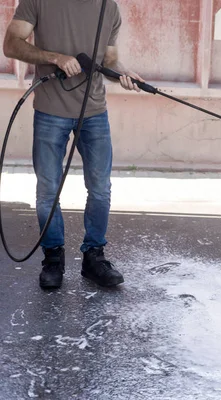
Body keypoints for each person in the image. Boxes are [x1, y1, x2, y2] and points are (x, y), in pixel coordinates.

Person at [3, 0, 143, 289]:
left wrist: (124, 74)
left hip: (94, 113)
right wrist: (54, 57)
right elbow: (11, 44)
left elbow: (110, 59)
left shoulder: (109, 8)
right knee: (48, 191)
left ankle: (94, 258)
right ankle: (53, 259)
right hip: (50, 112)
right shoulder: (37, 1)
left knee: (101, 189)